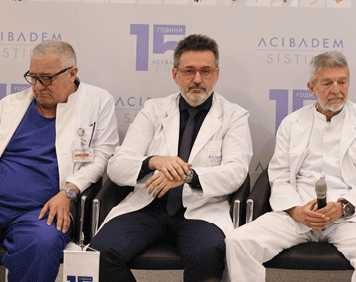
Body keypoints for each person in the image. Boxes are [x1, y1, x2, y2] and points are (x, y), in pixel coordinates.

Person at [89, 34, 252, 282]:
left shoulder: (234, 116)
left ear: (216, 74)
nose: (197, 79)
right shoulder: (153, 110)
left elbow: (236, 172)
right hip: (148, 206)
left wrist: (188, 176)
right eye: (189, 71)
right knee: (99, 255)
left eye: (205, 71)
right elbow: (117, 166)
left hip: (201, 209)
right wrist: (154, 161)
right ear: (175, 74)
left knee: (207, 255)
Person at [226, 52, 356, 282]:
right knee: (238, 242)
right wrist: (296, 210)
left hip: (347, 217)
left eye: (342, 82)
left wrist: (342, 207)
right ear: (311, 88)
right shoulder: (292, 123)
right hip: (298, 214)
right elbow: (279, 177)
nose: (336, 90)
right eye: (327, 83)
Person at [0, 40, 118, 282]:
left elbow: (102, 156)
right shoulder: (9, 105)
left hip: (44, 209)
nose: (37, 86)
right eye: (33, 77)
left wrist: (68, 192)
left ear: (72, 73)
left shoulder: (97, 101)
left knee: (41, 246)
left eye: (46, 78)